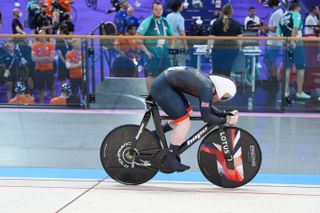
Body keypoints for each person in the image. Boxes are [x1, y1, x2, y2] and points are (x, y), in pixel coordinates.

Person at [150, 66, 239, 172]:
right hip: (163, 87)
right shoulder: (206, 88)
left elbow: (206, 105)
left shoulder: (207, 84)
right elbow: (207, 117)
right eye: (224, 97)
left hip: (167, 84)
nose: (222, 101)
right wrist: (225, 120)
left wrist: (221, 114)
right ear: (221, 89)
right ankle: (170, 158)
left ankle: (156, 134)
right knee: (184, 123)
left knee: (188, 113)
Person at [136, 2, 174, 91]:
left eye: (160, 9)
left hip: (164, 54)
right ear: (152, 10)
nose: (158, 11)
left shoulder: (166, 21)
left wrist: (170, 50)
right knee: (152, 76)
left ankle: (165, 96)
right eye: (156, 9)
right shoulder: (147, 22)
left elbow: (172, 37)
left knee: (167, 76)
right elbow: (137, 38)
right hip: (152, 55)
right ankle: (150, 99)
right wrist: (146, 52)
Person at [277, 3, 310, 99]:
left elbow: (278, 35)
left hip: (286, 45)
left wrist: (285, 42)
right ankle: (299, 92)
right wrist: (292, 41)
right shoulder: (296, 15)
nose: (300, 11)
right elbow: (295, 28)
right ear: (297, 8)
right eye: (299, 9)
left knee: (287, 68)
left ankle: (285, 92)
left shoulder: (283, 17)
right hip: (296, 44)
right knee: (301, 68)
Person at [208, 4, 242, 76]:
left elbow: (211, 38)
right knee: (227, 72)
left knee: (216, 72)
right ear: (231, 12)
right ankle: (226, 85)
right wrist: (239, 49)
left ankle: (217, 86)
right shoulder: (237, 24)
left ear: (222, 12)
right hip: (231, 52)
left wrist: (207, 49)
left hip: (217, 50)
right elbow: (240, 41)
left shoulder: (215, 23)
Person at [262, 0, 284, 84]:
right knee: (267, 60)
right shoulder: (275, 12)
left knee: (272, 60)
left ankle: (274, 79)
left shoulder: (278, 13)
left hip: (274, 42)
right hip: (271, 41)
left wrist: (266, 27)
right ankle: (270, 77)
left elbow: (276, 29)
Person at [32, 30, 56, 103]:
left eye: (43, 34)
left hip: (49, 70)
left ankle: (55, 104)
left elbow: (51, 59)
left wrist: (39, 58)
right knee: (41, 89)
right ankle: (41, 106)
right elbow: (34, 59)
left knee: (52, 88)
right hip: (39, 70)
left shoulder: (50, 45)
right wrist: (46, 57)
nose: (41, 36)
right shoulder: (35, 45)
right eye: (40, 34)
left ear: (45, 35)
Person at [166, 0, 188, 66]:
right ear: (178, 7)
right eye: (181, 5)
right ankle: (180, 76)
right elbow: (182, 33)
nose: (183, 6)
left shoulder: (168, 16)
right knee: (181, 61)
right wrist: (185, 45)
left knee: (171, 62)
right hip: (178, 42)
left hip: (169, 41)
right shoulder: (180, 18)